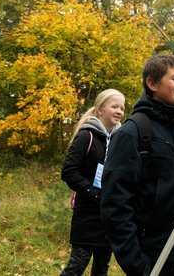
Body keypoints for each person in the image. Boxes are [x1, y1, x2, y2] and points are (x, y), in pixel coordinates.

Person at [101, 54, 174, 276]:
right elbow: (115, 205)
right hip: (156, 259)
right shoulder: (132, 133)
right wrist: (137, 265)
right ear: (152, 83)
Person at [60, 88, 125, 276]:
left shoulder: (121, 139)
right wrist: (93, 193)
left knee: (101, 268)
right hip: (87, 213)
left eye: (122, 107)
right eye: (114, 106)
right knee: (77, 266)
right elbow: (69, 172)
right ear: (100, 110)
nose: (119, 111)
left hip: (110, 214)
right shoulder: (86, 136)